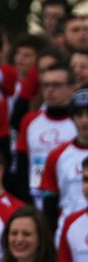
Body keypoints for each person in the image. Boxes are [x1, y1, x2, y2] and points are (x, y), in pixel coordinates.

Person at [15, 64, 77, 205]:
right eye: (45, 85)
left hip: (69, 199)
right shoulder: (30, 120)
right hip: (35, 198)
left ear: (72, 87)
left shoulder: (79, 123)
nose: (50, 90)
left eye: (56, 85)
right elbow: (22, 164)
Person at [40, 88, 88, 235]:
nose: (85, 120)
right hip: (67, 233)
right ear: (72, 118)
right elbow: (49, 202)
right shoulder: (56, 155)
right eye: (79, 115)